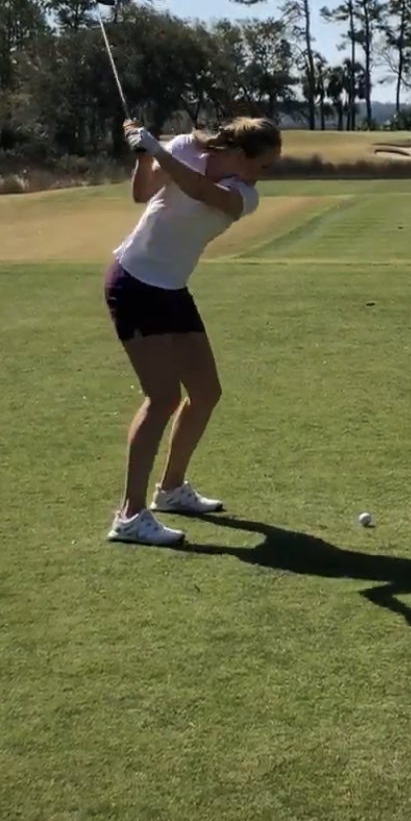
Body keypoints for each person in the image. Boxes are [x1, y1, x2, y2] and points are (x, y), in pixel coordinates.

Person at [103, 116, 282, 547]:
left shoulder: (245, 195)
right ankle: (129, 516)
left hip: (171, 288)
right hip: (134, 281)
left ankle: (170, 490)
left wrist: (157, 150)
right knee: (162, 398)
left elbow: (200, 190)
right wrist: (143, 155)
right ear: (239, 153)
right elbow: (142, 193)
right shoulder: (185, 147)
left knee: (205, 392)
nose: (265, 174)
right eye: (263, 164)